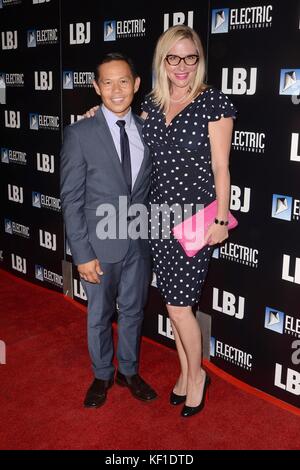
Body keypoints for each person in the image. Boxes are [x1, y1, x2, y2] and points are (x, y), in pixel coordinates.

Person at [85, 25, 237, 418]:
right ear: (162, 61)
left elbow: (222, 167)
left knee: (182, 308)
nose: (182, 65)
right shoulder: (151, 104)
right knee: (173, 308)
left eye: (190, 57)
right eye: (174, 57)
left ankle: (198, 377)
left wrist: (221, 218)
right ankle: (186, 373)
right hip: (156, 220)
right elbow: (120, 124)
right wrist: (93, 115)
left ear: (199, 60)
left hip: (194, 222)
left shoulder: (213, 103)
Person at [60, 53, 157, 408]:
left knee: (133, 310)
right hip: (98, 246)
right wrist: (81, 254)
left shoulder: (150, 129)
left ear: (136, 84)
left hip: (139, 242)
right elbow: (70, 199)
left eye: (123, 81)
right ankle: (102, 373)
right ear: (96, 87)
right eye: (108, 82)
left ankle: (128, 370)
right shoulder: (80, 133)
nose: (117, 90)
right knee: (100, 315)